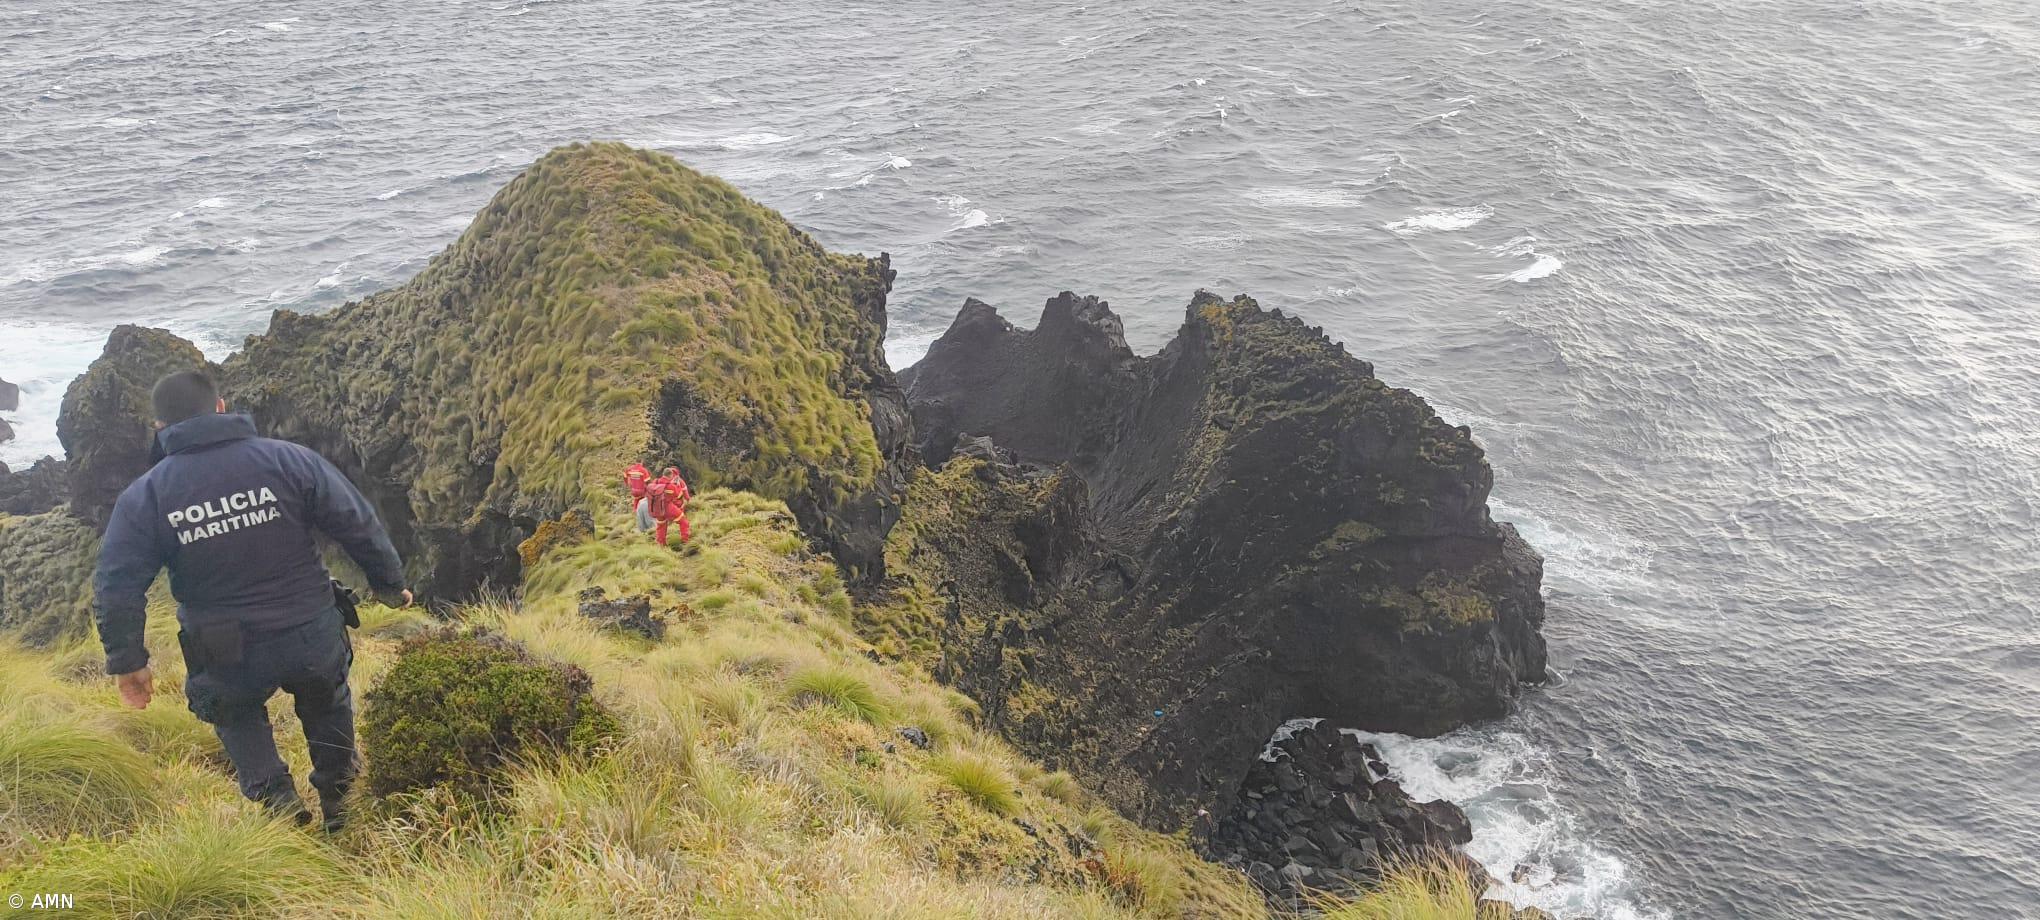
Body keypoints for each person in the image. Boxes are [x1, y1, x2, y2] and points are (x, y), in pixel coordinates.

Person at [93, 371, 411, 832]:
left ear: (160, 427)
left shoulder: (147, 495)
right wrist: (388, 583)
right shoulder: (289, 460)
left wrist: (128, 661)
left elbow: (116, 583)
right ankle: (342, 806)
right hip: (310, 628)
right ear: (221, 407)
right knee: (328, 705)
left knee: (234, 712)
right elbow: (355, 521)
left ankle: (280, 808)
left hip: (224, 649)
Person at [644, 466, 692, 546]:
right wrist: (676, 485)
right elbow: (677, 495)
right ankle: (685, 541)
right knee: (684, 522)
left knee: (661, 526)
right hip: (668, 508)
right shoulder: (670, 486)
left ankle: (661, 544)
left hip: (658, 508)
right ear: (670, 475)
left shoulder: (655, 482)